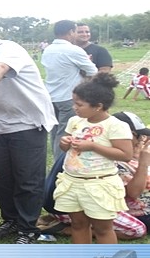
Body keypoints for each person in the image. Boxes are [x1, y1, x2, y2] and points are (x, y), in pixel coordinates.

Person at [0, 16, 57, 244]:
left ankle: (28, 228)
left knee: (28, 180)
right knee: (0, 179)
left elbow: (0, 68)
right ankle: (11, 218)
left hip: (27, 123)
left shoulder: (9, 49)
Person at [41, 111, 150, 240]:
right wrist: (142, 163)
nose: (140, 141)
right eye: (138, 136)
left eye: (143, 137)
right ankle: (64, 228)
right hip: (72, 205)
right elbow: (132, 193)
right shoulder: (109, 157)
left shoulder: (105, 147)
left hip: (84, 199)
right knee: (135, 229)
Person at [54, 73, 133, 244]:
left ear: (98, 106)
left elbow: (126, 155)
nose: (74, 107)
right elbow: (65, 148)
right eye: (74, 102)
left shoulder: (115, 126)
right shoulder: (75, 121)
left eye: (79, 104)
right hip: (72, 182)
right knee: (78, 224)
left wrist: (93, 146)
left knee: (102, 229)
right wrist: (64, 142)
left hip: (99, 185)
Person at [41, 20, 97, 161]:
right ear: (71, 32)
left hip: (51, 96)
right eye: (76, 31)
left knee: (55, 133)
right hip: (68, 97)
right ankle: (60, 165)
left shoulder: (47, 49)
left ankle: (56, 161)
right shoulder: (74, 50)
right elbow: (93, 70)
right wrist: (85, 63)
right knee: (65, 134)